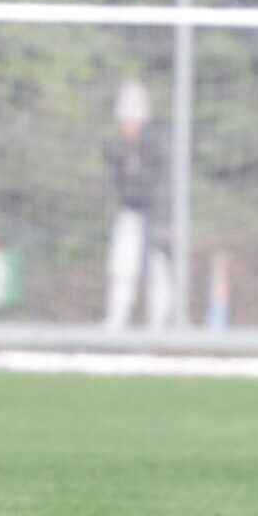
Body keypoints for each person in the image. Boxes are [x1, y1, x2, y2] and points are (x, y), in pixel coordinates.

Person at [102, 77, 174, 330]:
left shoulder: (157, 147)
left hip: (156, 214)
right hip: (131, 212)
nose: (125, 126)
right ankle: (116, 319)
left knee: (157, 268)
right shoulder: (119, 149)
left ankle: (158, 323)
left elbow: (164, 187)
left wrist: (167, 222)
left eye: (130, 120)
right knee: (121, 265)